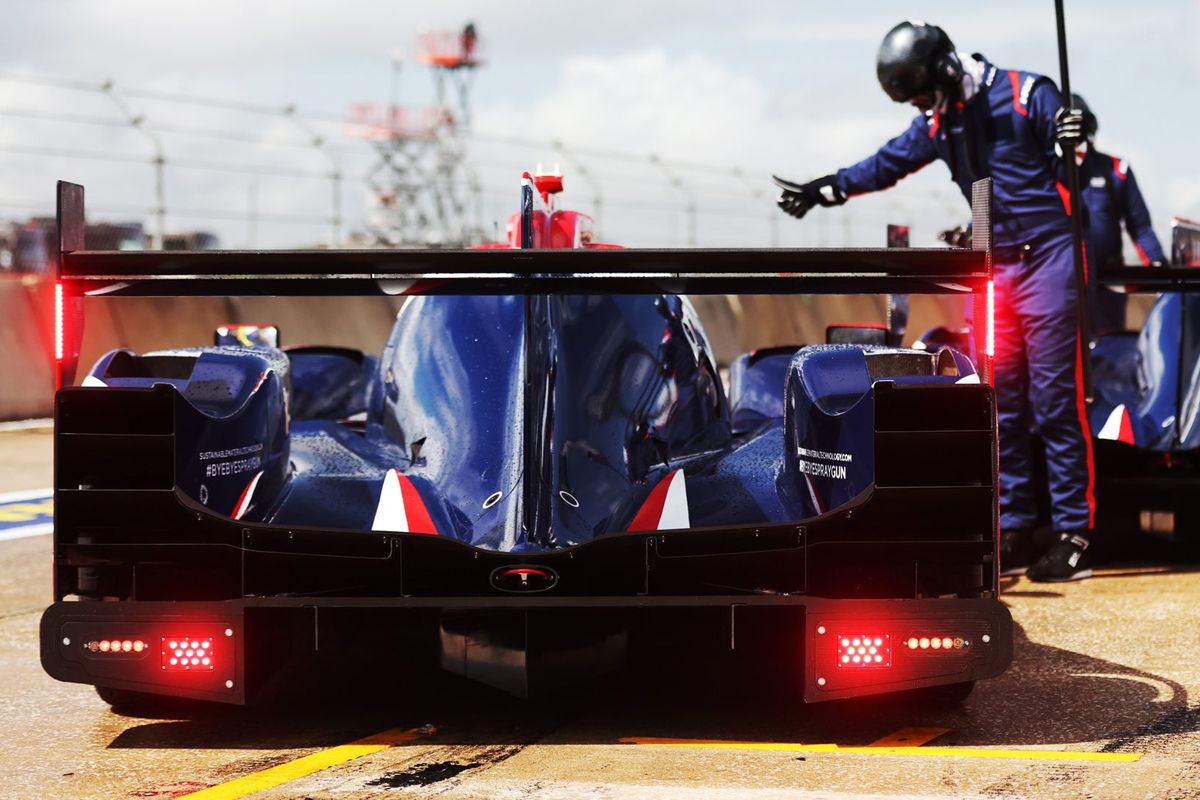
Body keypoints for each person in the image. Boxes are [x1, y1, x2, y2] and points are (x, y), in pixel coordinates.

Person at [774, 20, 1095, 581]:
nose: (921, 106)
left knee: (1053, 398)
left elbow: (1073, 138)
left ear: (944, 69)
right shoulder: (939, 122)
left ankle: (1074, 531)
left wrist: (1079, 127)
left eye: (922, 93)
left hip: (1048, 258)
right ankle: (1016, 523)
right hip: (994, 265)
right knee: (1002, 401)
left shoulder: (1024, 92)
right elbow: (884, 163)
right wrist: (826, 188)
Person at [1069, 93, 1166, 334]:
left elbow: (1140, 227)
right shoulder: (1040, 176)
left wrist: (1159, 269)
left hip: (1106, 283)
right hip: (1057, 282)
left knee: (1104, 355)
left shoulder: (1116, 171)